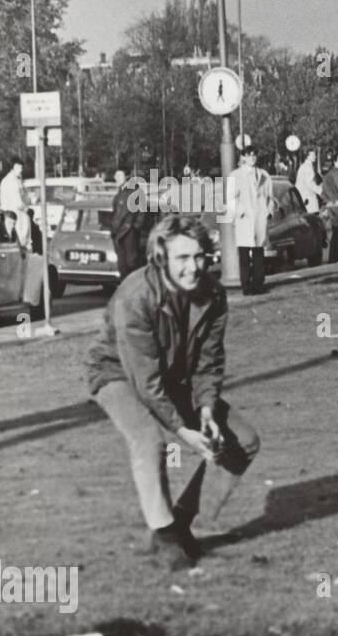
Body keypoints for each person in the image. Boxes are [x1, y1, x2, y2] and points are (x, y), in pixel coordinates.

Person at [84, 213, 261, 568]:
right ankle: (163, 533)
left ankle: (180, 523)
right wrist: (184, 432)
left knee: (243, 440)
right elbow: (145, 381)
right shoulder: (134, 297)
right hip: (117, 372)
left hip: (170, 378)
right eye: (182, 258)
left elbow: (208, 363)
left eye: (199, 256)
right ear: (161, 258)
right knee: (149, 439)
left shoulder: (213, 294)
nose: (194, 267)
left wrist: (207, 409)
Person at [226, 148, 271, 294]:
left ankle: (259, 283)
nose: (252, 158)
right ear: (243, 157)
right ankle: (246, 285)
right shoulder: (235, 175)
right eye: (248, 155)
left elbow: (269, 196)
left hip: (259, 217)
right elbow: (231, 198)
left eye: (254, 154)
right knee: (244, 253)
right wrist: (240, 211)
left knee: (258, 252)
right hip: (245, 219)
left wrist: (268, 212)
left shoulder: (264, 175)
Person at [111, 169, 154, 279]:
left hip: (129, 231)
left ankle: (133, 287)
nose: (116, 178)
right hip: (119, 232)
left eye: (119, 176)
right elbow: (116, 212)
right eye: (116, 176)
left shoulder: (134, 191)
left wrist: (135, 226)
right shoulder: (119, 193)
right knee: (122, 265)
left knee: (131, 263)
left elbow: (142, 209)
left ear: (126, 177)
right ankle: (125, 287)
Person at [0, 159, 29, 246]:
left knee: (13, 238)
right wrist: (27, 207)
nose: (21, 169)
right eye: (18, 167)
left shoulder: (11, 180)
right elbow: (18, 201)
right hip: (15, 213)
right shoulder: (12, 181)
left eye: (21, 167)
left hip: (9, 214)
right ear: (12, 168)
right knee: (21, 239)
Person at [295, 150, 323, 214]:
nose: (315, 157)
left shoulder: (304, 166)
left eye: (315, 155)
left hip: (304, 197)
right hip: (309, 199)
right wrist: (321, 191)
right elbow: (310, 183)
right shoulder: (308, 168)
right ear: (307, 157)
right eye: (313, 155)